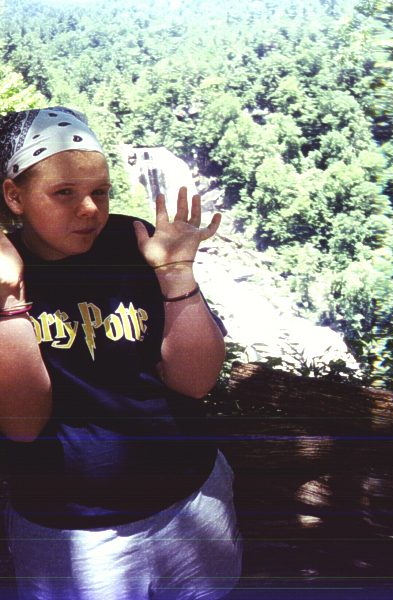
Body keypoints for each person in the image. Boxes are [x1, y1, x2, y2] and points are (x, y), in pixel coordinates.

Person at [0, 107, 242, 600]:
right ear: (14, 195)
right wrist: (8, 301)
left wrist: (176, 273)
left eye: (101, 191)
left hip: (192, 501)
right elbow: (23, 425)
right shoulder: (5, 269)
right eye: (65, 193)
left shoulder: (134, 243)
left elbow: (194, 382)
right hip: (73, 534)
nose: (90, 209)